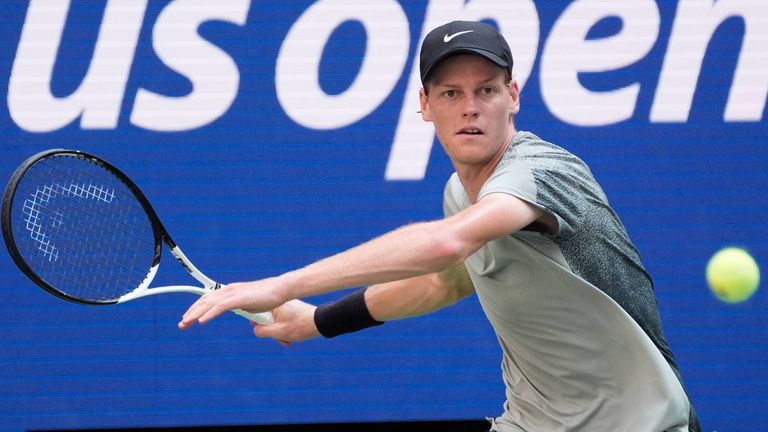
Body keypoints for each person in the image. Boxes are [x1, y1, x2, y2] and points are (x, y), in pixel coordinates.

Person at [179, 20, 700, 432]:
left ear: (512, 96)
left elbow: (448, 244)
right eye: (450, 93)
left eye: (487, 91)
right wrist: (317, 321)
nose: (470, 108)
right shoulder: (461, 192)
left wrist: (283, 284)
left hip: (640, 424)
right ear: (425, 105)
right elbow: (442, 281)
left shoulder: (542, 172)